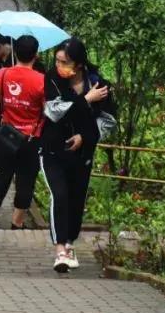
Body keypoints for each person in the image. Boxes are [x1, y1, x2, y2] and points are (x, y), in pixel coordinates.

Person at [42, 37, 116, 273]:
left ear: (79, 63)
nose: (59, 66)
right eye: (57, 61)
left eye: (65, 62)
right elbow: (55, 112)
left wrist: (85, 136)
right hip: (53, 149)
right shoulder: (52, 79)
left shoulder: (98, 84)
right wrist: (85, 100)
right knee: (59, 195)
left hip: (82, 154)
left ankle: (69, 243)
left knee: (76, 199)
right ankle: (60, 250)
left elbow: (107, 121)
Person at [0, 34, 45, 231]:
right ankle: (17, 222)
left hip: (6, 136)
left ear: (15, 52)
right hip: (31, 138)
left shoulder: (2, 74)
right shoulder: (41, 81)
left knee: (0, 176)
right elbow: (48, 110)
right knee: (26, 180)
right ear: (35, 55)